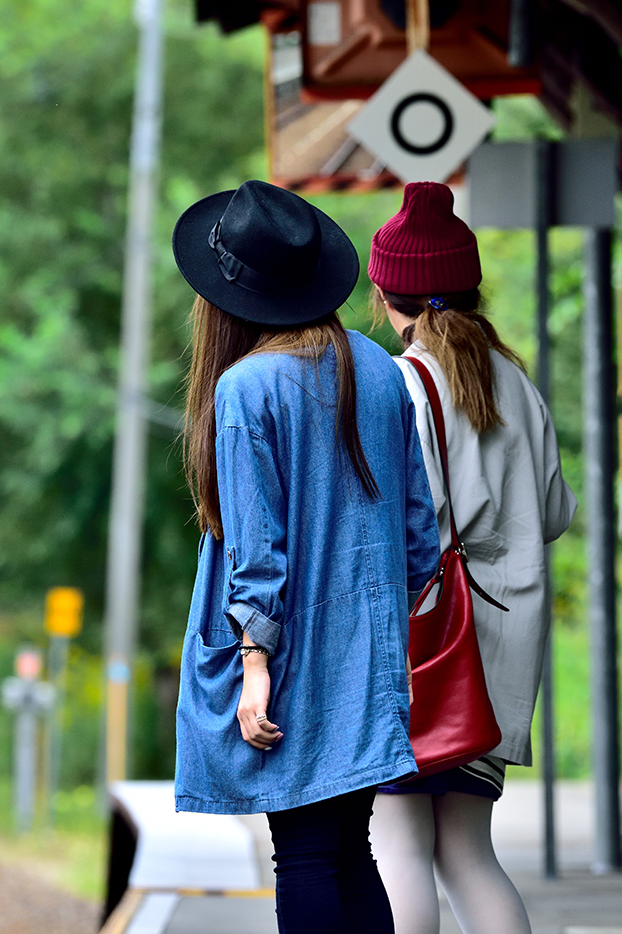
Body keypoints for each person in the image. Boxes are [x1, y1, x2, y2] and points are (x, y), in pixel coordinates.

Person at [171, 179, 442, 934]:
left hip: (290, 657)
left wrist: (255, 665)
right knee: (347, 848)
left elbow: (258, 550)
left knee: (306, 855)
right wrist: (375, 625)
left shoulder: (247, 387)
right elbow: (419, 530)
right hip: (369, 656)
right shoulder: (380, 369)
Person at [365, 181, 578, 934]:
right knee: (468, 853)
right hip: (503, 645)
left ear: (384, 291)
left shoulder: (402, 384)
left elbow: (400, 528)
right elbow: (553, 514)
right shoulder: (517, 383)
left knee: (396, 841)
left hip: (427, 642)